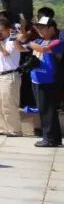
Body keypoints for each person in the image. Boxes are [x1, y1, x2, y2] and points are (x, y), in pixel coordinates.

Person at [25, 15, 62, 147]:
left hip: (49, 81)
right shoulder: (38, 40)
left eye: (42, 27)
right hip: (37, 80)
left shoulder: (57, 41)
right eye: (38, 27)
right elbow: (22, 48)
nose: (39, 30)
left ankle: (50, 139)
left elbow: (45, 49)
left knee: (48, 110)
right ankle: (53, 138)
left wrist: (28, 42)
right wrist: (19, 40)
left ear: (51, 28)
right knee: (43, 109)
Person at [0, 13, 22, 137]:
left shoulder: (12, 38)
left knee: (9, 104)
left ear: (8, 30)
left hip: (9, 76)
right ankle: (3, 128)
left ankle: (15, 130)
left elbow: (6, 53)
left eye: (0, 30)